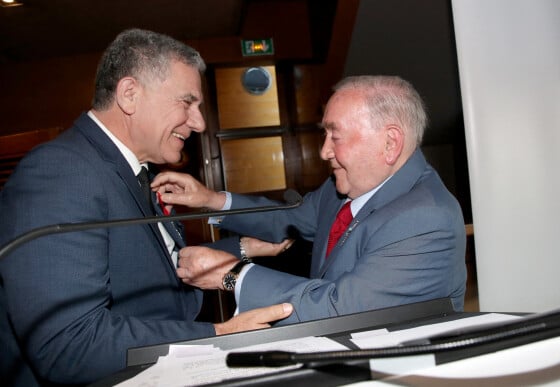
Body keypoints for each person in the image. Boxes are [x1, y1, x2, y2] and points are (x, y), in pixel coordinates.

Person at [0, 28, 292, 386]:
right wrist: (218, 337)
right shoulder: (62, 172)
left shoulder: (130, 168)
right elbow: (69, 345)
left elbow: (154, 261)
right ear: (129, 95)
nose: (199, 123)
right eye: (187, 103)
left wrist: (244, 247)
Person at [152, 75, 467, 325]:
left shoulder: (427, 218)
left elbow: (339, 310)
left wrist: (234, 275)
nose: (324, 151)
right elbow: (284, 220)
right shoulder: (341, 187)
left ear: (389, 143)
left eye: (336, 136)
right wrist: (210, 198)